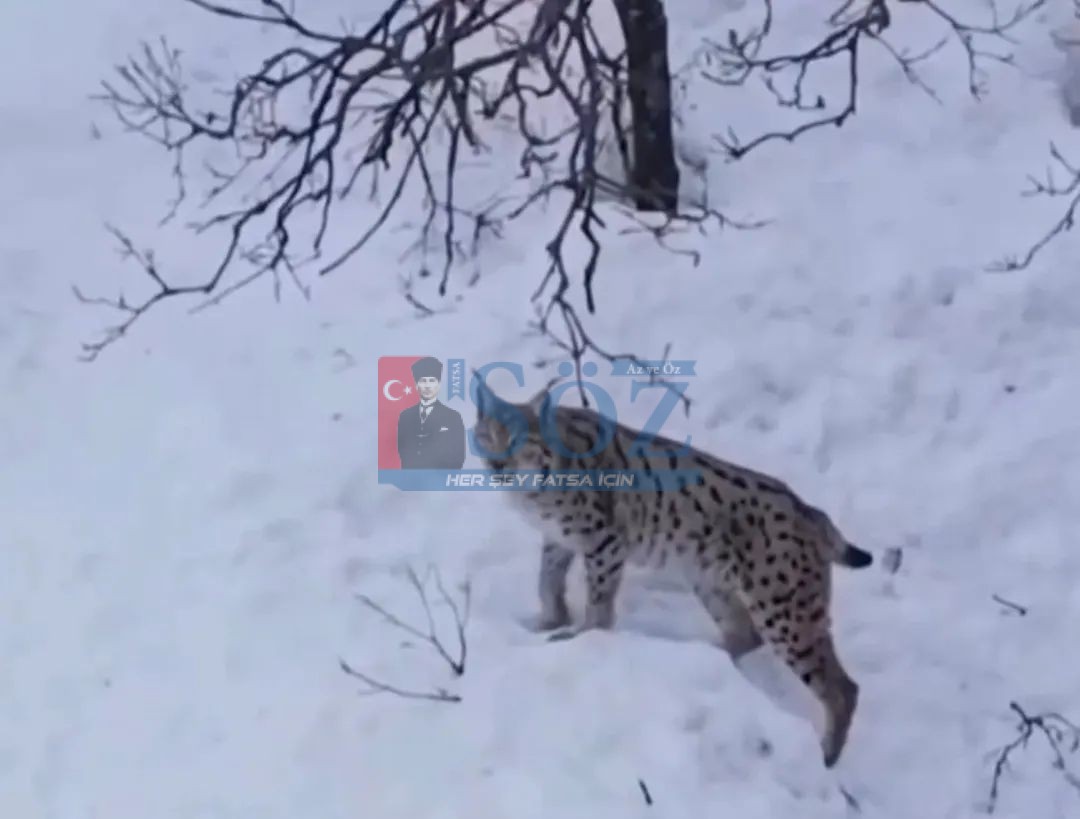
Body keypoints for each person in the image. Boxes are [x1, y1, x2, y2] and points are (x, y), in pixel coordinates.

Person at [396, 356, 466, 469]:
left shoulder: (453, 417)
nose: (427, 386)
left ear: (438, 385)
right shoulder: (405, 416)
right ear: (416, 385)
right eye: (423, 381)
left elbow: (459, 456)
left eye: (432, 381)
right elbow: (402, 450)